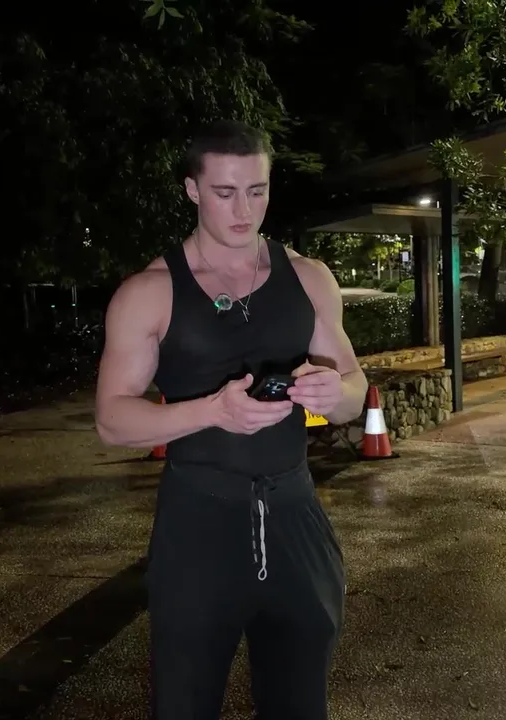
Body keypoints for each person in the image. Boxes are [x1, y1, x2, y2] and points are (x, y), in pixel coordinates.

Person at [94, 119, 367, 719]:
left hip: (295, 516)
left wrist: (336, 391)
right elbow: (112, 421)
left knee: (300, 705)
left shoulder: (308, 277)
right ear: (193, 189)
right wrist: (212, 411)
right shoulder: (150, 291)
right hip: (198, 523)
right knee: (185, 705)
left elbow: (356, 390)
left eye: (257, 191)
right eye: (224, 193)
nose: (244, 211)